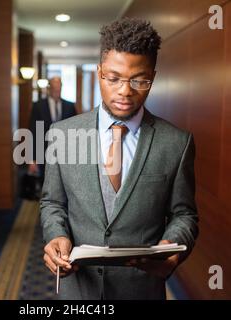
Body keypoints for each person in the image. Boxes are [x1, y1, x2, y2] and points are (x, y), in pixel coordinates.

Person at [40, 18, 199, 300]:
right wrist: (56, 235)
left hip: (140, 289)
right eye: (114, 78)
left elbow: (184, 215)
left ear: (153, 76)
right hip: (78, 289)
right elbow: (52, 202)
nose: (125, 91)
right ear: (100, 73)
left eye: (139, 80)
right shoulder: (61, 134)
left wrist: (171, 247)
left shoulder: (177, 143)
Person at [28, 76, 77, 181]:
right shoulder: (38, 106)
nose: (57, 91)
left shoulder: (70, 106)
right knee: (45, 185)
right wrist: (32, 159)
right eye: (55, 89)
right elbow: (33, 132)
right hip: (43, 154)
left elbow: (75, 132)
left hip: (65, 156)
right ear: (49, 88)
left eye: (59, 89)